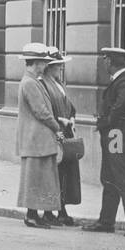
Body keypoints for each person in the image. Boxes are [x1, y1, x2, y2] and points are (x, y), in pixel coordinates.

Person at [84, 46, 125, 238]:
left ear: (110, 61)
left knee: (122, 177)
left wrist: (106, 122)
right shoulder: (123, 80)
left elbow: (122, 106)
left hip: (117, 135)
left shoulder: (124, 81)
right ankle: (106, 221)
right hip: (115, 134)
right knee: (110, 177)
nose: (104, 62)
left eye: (105, 59)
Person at [16, 42, 63, 229]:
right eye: (43, 62)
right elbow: (41, 111)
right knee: (34, 179)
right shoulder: (30, 83)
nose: (45, 66)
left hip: (38, 140)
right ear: (35, 63)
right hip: (35, 140)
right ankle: (31, 215)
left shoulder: (33, 81)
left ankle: (36, 214)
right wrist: (56, 126)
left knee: (40, 179)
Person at [39, 46, 78, 226]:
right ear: (49, 66)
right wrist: (60, 121)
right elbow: (44, 110)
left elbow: (69, 105)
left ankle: (61, 210)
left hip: (65, 131)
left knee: (63, 174)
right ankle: (50, 211)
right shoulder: (43, 83)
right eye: (57, 65)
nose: (60, 68)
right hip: (54, 133)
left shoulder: (58, 83)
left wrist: (71, 117)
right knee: (53, 173)